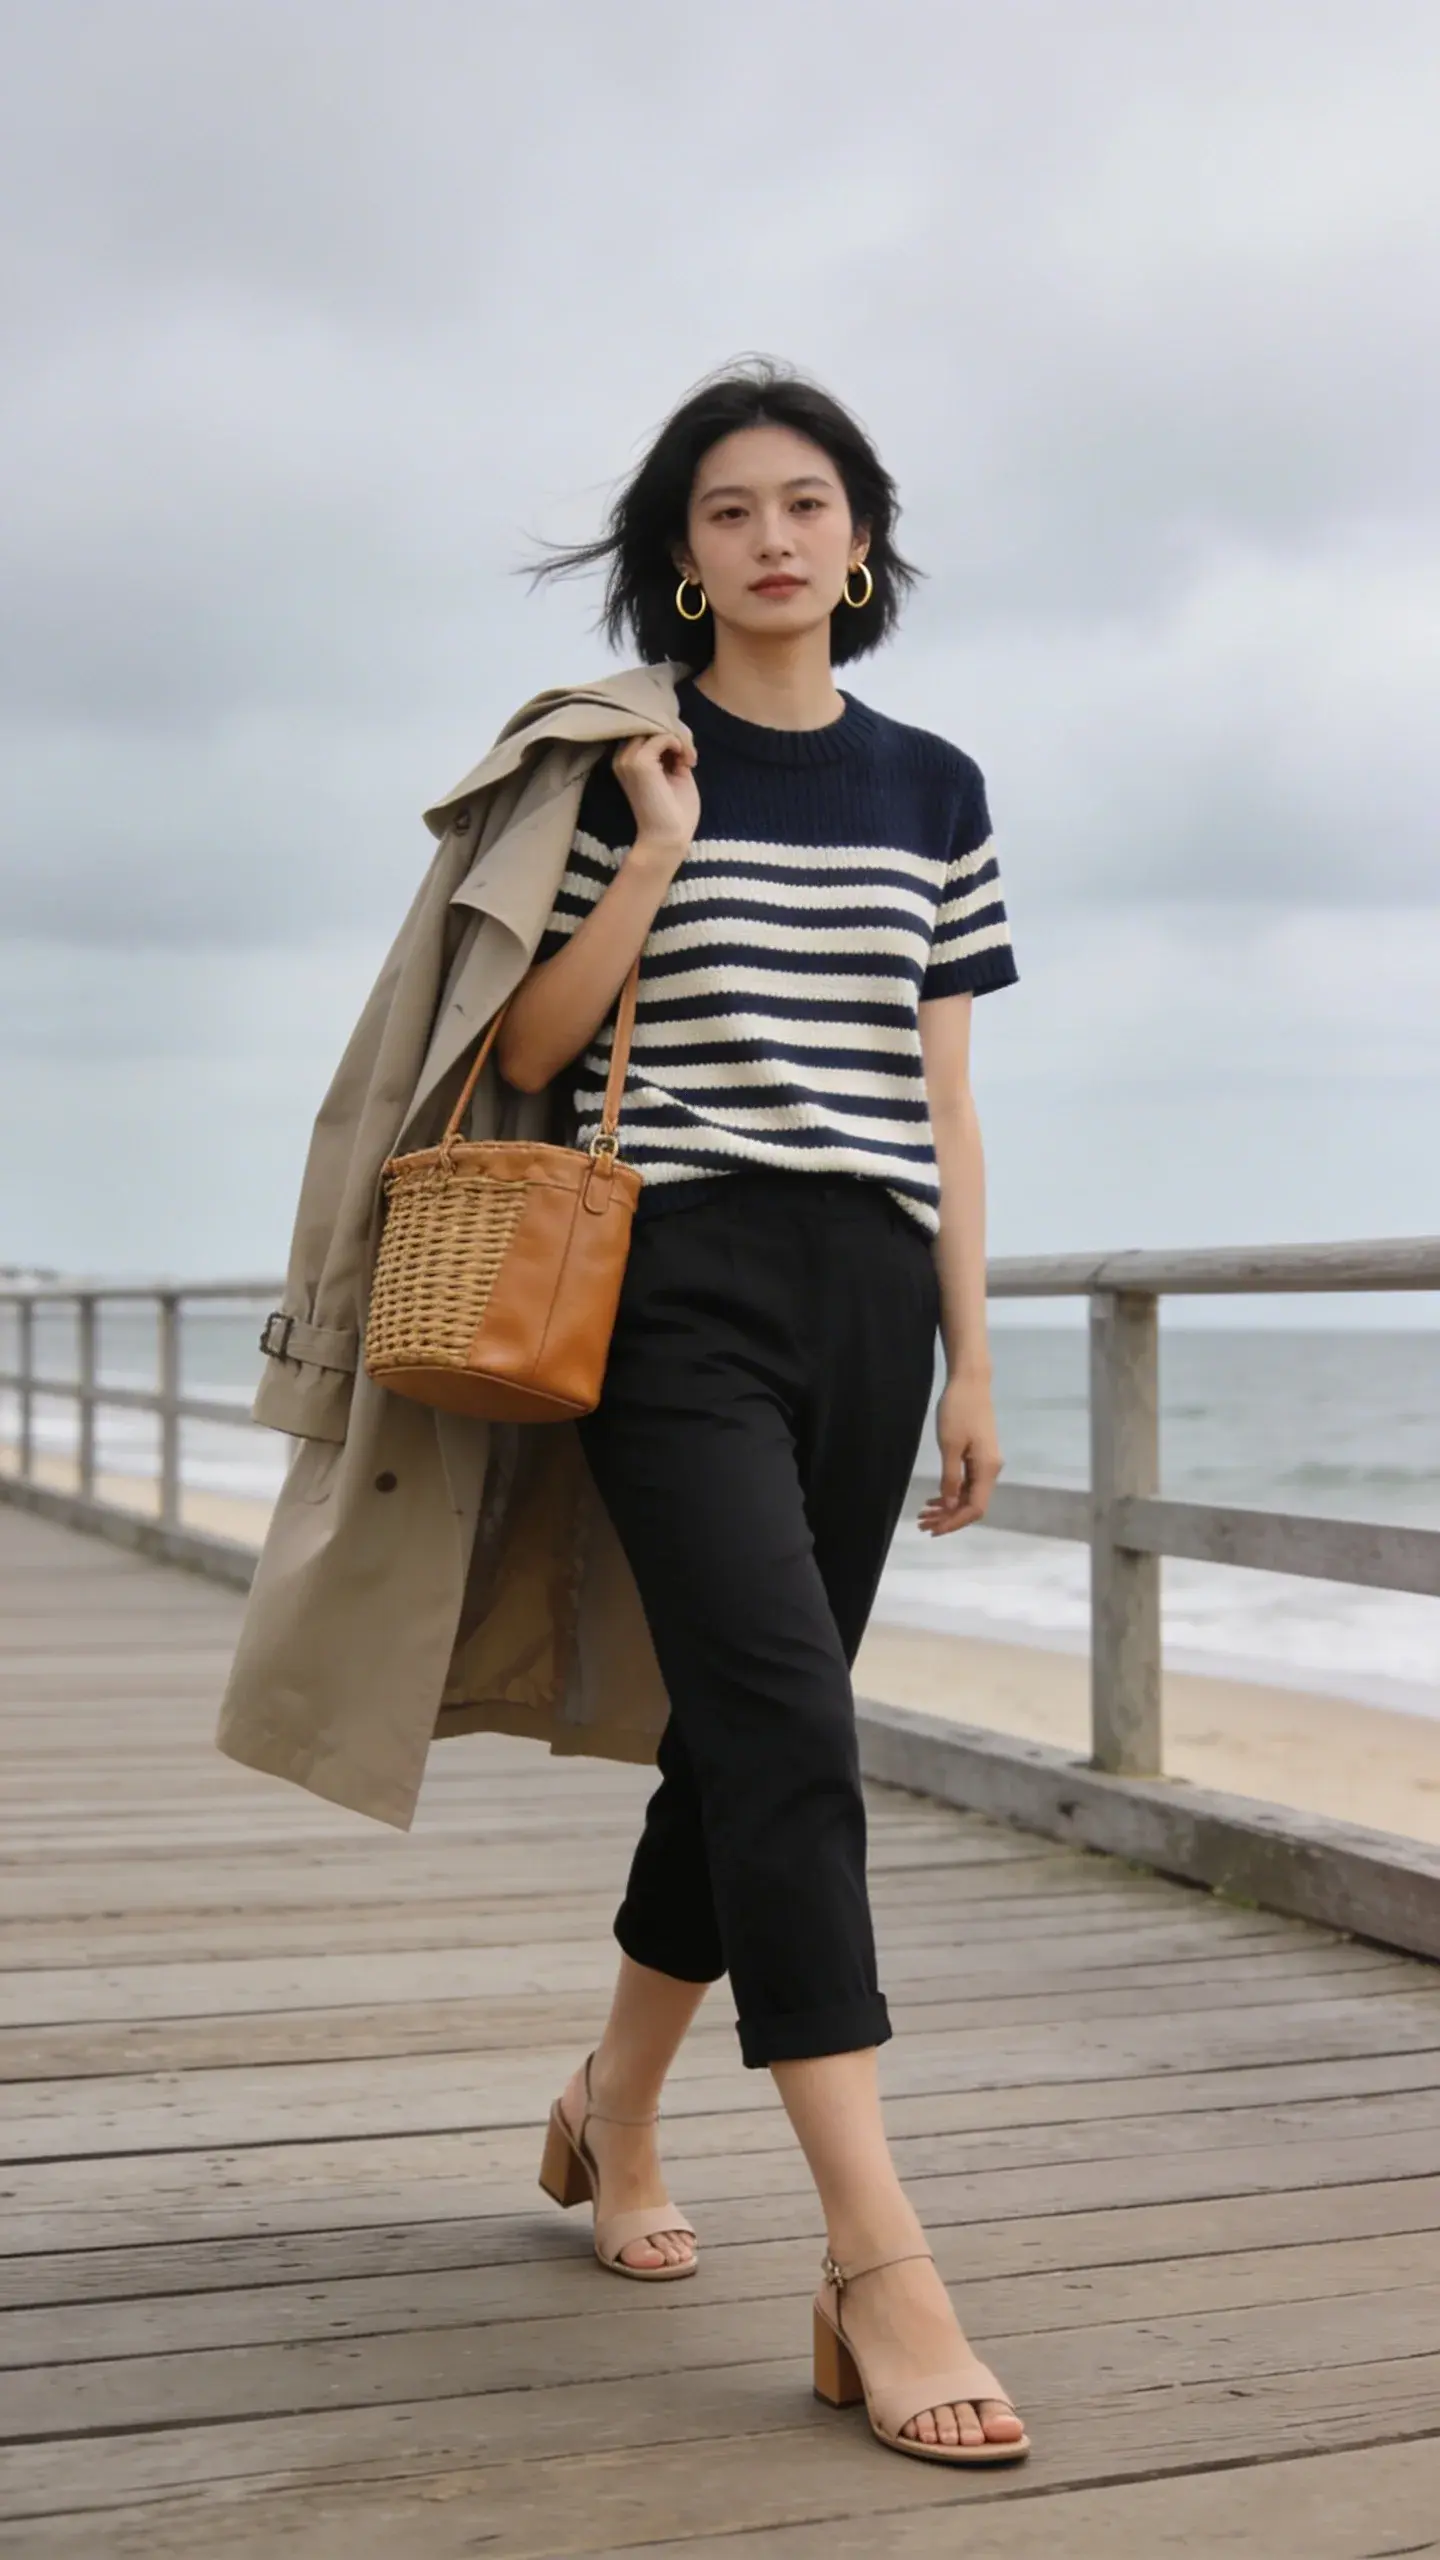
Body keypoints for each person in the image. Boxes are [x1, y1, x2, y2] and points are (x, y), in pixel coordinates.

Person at [502, 360, 1029, 2468]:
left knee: (743, 1732)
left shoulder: (935, 783)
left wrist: (974, 1352)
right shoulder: (626, 760)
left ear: (861, 538)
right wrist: (656, 850)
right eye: (729, 511)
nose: (774, 538)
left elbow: (946, 1101)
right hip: (674, 1286)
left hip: (872, 1296)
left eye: (807, 502)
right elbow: (532, 1043)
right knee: (796, 1728)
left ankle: (611, 2103)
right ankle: (877, 2257)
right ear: (682, 555)